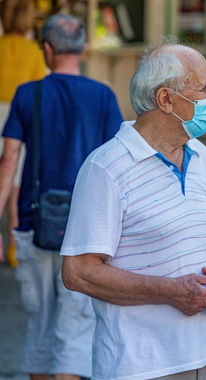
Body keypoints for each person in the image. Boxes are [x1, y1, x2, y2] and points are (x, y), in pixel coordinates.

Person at [60, 37, 206, 380]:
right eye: (203, 89)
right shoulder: (106, 168)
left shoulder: (204, 158)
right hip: (142, 365)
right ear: (166, 99)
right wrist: (170, 292)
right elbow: (78, 272)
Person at [0, 13, 123, 380]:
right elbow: (118, 166)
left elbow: (8, 162)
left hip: (34, 222)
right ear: (83, 48)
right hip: (87, 231)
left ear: (47, 49)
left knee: (40, 322)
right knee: (76, 322)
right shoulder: (103, 97)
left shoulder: (28, 94)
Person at [0, 0, 48, 266]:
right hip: (18, 118)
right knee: (14, 183)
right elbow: (39, 89)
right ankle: (12, 249)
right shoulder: (34, 52)